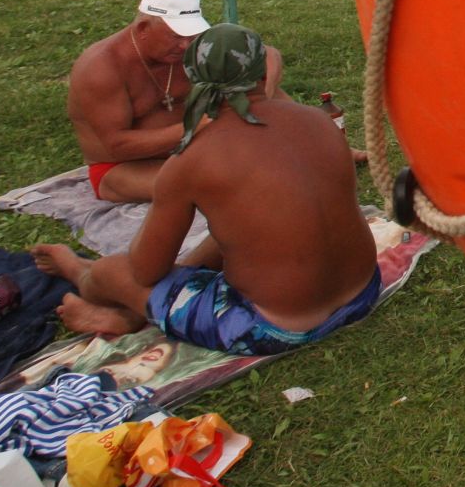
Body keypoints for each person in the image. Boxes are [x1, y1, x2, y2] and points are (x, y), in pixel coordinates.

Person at [33, 24, 382, 355]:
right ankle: (130, 314)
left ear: (194, 84)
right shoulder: (319, 122)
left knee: (113, 271)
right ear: (263, 75)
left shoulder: (193, 159)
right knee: (243, 223)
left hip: (276, 327)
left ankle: (82, 276)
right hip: (362, 293)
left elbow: (145, 271)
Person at [68, 0, 286, 204]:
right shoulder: (101, 68)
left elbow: (268, 55)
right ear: (143, 28)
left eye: (191, 35)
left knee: (256, 86)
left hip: (197, 148)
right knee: (226, 186)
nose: (185, 45)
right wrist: (198, 125)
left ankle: (303, 134)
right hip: (123, 167)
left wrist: (263, 94)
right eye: (176, 36)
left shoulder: (190, 44)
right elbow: (117, 146)